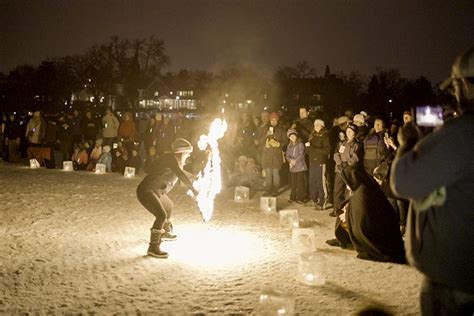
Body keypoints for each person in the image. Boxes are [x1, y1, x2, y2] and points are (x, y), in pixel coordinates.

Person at [391, 48, 474, 315]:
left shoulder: (463, 134)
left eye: (457, 87)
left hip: (456, 284)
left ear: (466, 86)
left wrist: (409, 144)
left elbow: (404, 182)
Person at [327, 166, 406, 263]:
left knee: (346, 217)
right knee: (343, 215)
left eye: (347, 183)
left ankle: (363, 243)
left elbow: (363, 215)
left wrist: (347, 215)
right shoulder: (362, 187)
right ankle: (351, 239)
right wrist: (347, 212)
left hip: (380, 233)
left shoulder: (363, 192)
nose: (347, 186)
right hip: (376, 226)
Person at [136, 138, 198, 258]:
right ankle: (153, 247)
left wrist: (195, 178)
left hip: (156, 191)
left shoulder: (173, 162)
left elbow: (181, 172)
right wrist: (194, 190)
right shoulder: (170, 159)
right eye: (187, 153)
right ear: (181, 152)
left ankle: (164, 232)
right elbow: (180, 174)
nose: (189, 156)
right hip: (147, 191)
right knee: (161, 215)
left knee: (169, 206)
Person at [332, 123, 363, 217]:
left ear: (355, 134)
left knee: (347, 191)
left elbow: (355, 157)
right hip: (339, 170)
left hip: (349, 171)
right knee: (337, 190)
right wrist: (339, 164)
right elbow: (336, 154)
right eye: (347, 131)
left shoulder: (356, 145)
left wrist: (346, 164)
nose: (348, 133)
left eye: (351, 131)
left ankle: (346, 211)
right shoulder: (342, 143)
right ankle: (336, 209)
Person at [306, 119, 331, 209]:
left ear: (322, 126)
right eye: (315, 125)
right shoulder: (312, 135)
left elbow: (327, 150)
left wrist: (313, 148)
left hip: (320, 162)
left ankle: (322, 201)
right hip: (312, 161)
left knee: (320, 181)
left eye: (318, 125)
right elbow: (309, 150)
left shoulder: (325, 136)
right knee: (312, 180)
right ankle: (313, 199)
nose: (316, 126)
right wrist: (308, 149)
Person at [285, 129, 308, 204]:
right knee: (293, 183)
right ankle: (293, 197)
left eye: (293, 136)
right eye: (291, 136)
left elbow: (301, 154)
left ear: (296, 136)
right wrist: (290, 161)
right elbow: (287, 155)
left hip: (300, 167)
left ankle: (300, 198)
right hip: (293, 167)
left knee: (300, 183)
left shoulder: (300, 144)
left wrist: (295, 161)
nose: (292, 138)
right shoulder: (289, 146)